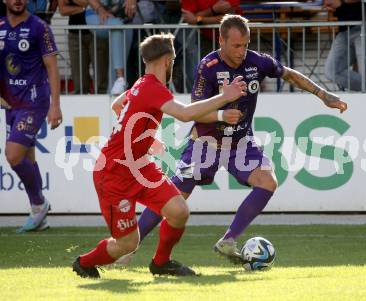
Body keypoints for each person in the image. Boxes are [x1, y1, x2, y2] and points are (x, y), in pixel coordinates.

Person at [127, 14, 347, 265]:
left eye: (245, 45)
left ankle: (229, 240)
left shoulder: (256, 62)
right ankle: (129, 245)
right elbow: (194, 110)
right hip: (205, 143)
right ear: (221, 40)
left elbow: (289, 74)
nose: (242, 51)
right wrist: (220, 114)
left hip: (240, 143)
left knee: (268, 181)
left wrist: (322, 94)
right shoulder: (208, 67)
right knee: (172, 198)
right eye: (236, 46)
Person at [72, 33, 247, 278]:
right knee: (128, 244)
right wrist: (225, 97)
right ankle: (84, 262)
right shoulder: (152, 87)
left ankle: (161, 263)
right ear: (168, 60)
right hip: (113, 173)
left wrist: (145, 137)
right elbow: (185, 114)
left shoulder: (141, 84)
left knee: (178, 211)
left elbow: (117, 106)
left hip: (140, 166)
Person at [0, 0, 63, 232]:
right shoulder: (1, 27)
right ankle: (40, 215)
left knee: (13, 156)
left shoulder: (40, 27)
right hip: (11, 103)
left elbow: (52, 66)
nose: (18, 0)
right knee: (27, 158)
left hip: (34, 101)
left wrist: (55, 105)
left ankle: (39, 204)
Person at [58, 0, 109, 94]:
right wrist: (86, 8)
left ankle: (102, 102)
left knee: (100, 73)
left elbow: (101, 4)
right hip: (75, 33)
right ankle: (81, 105)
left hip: (97, 32)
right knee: (79, 80)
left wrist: (81, 5)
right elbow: (63, 10)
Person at [86, 0, 135, 95]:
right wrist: (100, 9)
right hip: (96, 14)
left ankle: (117, 86)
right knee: (116, 25)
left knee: (121, 58)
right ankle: (120, 78)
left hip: (124, 19)